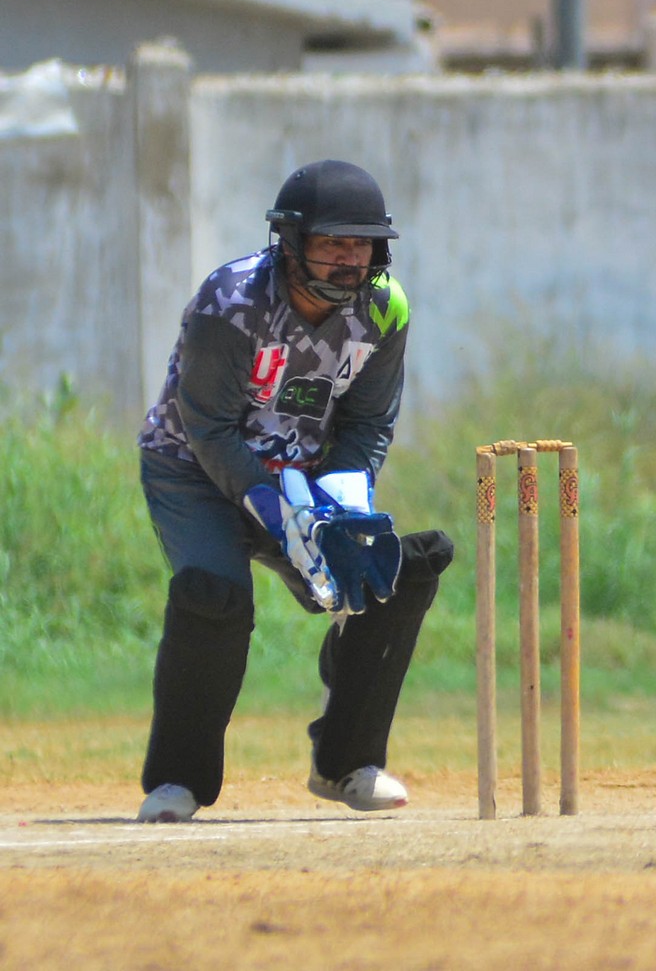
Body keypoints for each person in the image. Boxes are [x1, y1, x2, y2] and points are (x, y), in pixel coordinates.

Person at [134, 159, 454, 823]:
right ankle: (178, 781)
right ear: (290, 241)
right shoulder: (231, 302)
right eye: (332, 242)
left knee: (382, 577)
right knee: (214, 594)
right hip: (192, 468)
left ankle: (346, 762)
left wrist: (343, 508)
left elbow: (367, 424)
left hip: (304, 472)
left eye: (362, 244)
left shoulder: (385, 308)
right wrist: (283, 519)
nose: (349, 259)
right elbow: (210, 429)